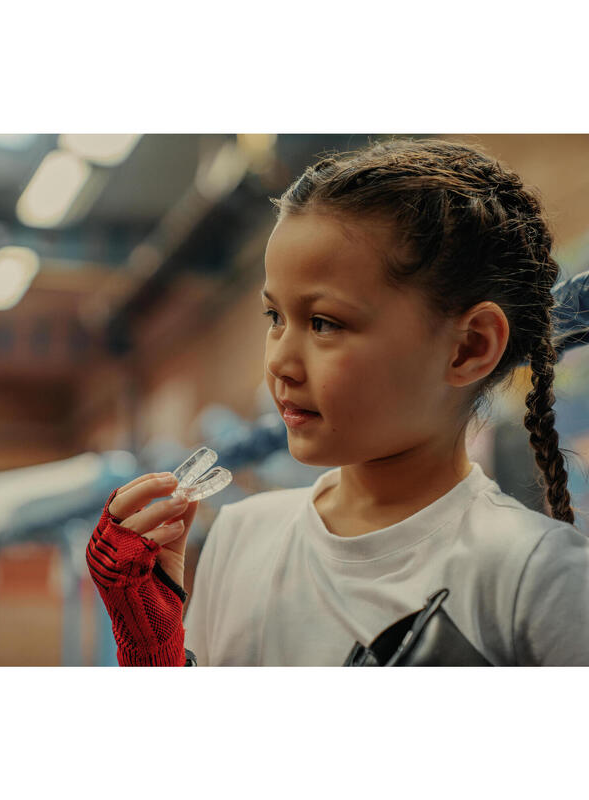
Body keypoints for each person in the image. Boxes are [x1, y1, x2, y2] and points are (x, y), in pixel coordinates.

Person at [86, 137, 589, 666]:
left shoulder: (537, 576)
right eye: (274, 317)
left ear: (470, 347)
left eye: (324, 323)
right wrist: (153, 650)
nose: (280, 361)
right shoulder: (242, 535)